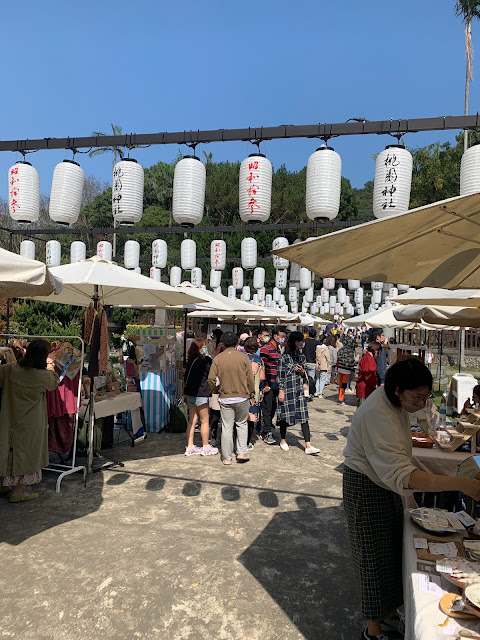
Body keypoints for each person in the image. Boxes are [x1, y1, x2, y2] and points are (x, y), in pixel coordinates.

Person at [343, 359, 480, 640]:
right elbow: (403, 475)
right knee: (372, 556)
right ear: (397, 391)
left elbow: (406, 455)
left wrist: (431, 410)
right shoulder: (376, 414)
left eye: (426, 395)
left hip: (383, 482)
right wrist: (462, 484)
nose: (422, 401)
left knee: (392, 550)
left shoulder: (397, 404)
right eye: (417, 396)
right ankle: (373, 630)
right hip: (366, 485)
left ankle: (391, 614)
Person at [0, 340, 60, 502]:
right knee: (25, 454)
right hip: (31, 422)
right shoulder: (43, 376)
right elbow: (53, 383)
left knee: (7, 450)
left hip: (9, 418)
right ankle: (18, 492)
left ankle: (3, 483)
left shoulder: (11, 370)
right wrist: (50, 364)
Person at [207, 332, 255, 465]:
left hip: (225, 397)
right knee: (241, 424)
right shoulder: (244, 358)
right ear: (237, 342)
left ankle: (227, 457)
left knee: (226, 427)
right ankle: (241, 452)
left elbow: (211, 378)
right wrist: (252, 393)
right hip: (242, 396)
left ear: (222, 343)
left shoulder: (218, 358)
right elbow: (250, 378)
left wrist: (213, 390)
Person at [277, 331, 320, 454]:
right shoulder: (284, 358)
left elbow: (305, 375)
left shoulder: (301, 357)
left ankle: (308, 445)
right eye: (300, 341)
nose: (302, 343)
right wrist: (281, 391)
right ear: (295, 342)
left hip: (299, 390)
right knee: (285, 415)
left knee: (304, 416)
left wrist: (301, 371)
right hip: (287, 389)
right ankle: (283, 440)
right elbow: (280, 376)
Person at [183, 339, 218, 457]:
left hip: (191, 394)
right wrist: (208, 356)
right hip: (202, 394)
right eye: (203, 347)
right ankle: (205, 447)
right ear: (199, 349)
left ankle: (190, 446)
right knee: (204, 421)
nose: (205, 348)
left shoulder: (190, 361)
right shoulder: (205, 362)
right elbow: (212, 372)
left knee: (192, 421)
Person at [259, 326, 287, 445]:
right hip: (268, 384)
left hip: (277, 383)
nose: (283, 339)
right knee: (267, 408)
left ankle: (267, 427)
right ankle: (266, 432)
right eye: (282, 337)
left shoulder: (278, 349)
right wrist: (265, 384)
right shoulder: (266, 349)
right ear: (275, 337)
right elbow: (262, 367)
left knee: (274, 408)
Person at [243, 337, 265, 449]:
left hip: (240, 391)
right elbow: (262, 377)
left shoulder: (241, 358)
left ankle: (238, 440)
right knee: (251, 417)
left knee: (239, 417)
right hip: (254, 392)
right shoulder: (259, 360)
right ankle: (247, 442)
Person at [337, 335, 356, 405]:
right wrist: (353, 369)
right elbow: (351, 361)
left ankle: (340, 396)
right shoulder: (350, 351)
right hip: (347, 370)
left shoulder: (341, 349)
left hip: (340, 368)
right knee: (344, 385)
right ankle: (341, 398)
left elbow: (338, 357)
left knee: (340, 384)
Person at [303, 328, 320, 399]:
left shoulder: (304, 341)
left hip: (304, 362)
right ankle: (309, 394)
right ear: (315, 335)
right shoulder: (317, 343)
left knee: (305, 379)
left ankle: (305, 393)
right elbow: (318, 354)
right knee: (311, 380)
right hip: (312, 363)